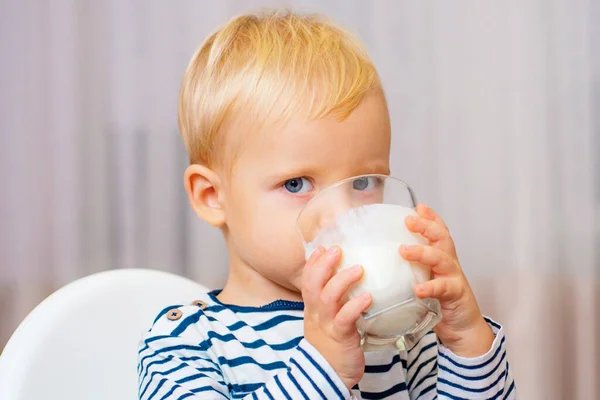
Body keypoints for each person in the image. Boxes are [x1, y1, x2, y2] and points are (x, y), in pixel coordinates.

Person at [138, 9, 516, 399]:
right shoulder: (187, 343)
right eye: (297, 184)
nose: (343, 216)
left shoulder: (395, 327)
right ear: (212, 197)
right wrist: (323, 368)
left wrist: (467, 341)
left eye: (363, 183)